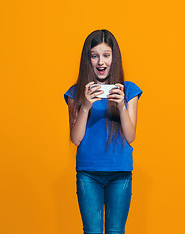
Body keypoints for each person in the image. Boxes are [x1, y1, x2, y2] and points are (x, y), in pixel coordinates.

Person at [64, 29, 143, 234]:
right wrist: (86, 106)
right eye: (95, 56)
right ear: (88, 59)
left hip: (120, 172)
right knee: (92, 232)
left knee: (116, 232)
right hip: (88, 173)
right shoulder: (76, 92)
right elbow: (75, 139)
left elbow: (131, 136)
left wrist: (121, 106)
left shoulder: (129, 90)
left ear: (113, 58)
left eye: (106, 55)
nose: (101, 62)